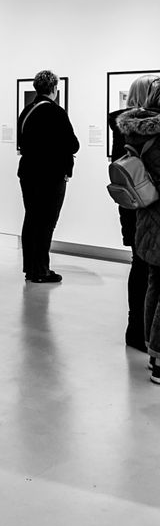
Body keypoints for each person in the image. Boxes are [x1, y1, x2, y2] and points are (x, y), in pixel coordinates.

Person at [108, 75, 158, 352]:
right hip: (142, 205)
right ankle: (138, 331)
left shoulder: (124, 128)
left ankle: (137, 329)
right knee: (142, 267)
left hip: (133, 204)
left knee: (139, 265)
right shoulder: (134, 131)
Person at [17, 69, 80, 283]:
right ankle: (41, 270)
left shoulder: (27, 111)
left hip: (28, 173)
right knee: (46, 223)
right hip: (50, 176)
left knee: (32, 219)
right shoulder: (56, 112)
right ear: (54, 88)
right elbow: (73, 144)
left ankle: (31, 268)